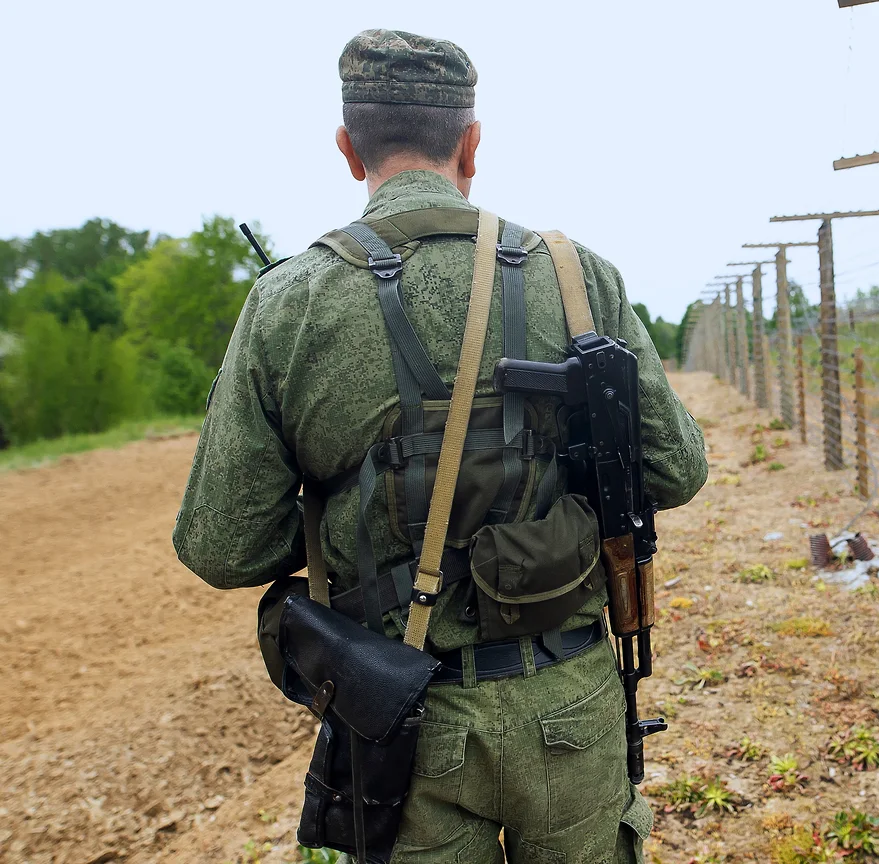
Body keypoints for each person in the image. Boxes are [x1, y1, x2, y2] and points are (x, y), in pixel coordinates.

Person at [173, 29, 707, 864]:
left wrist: (349, 514)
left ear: (350, 149)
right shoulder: (578, 277)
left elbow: (223, 546)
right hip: (570, 694)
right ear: (471, 143)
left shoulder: (289, 301)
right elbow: (676, 469)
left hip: (397, 716)